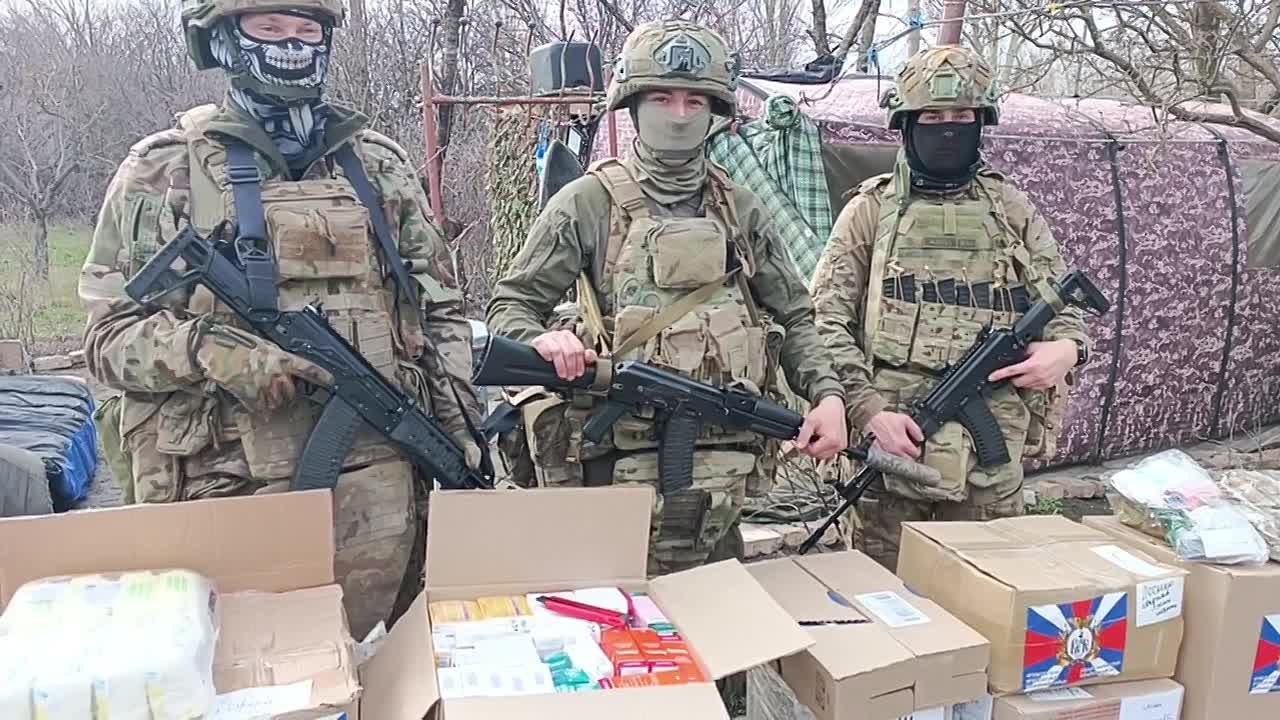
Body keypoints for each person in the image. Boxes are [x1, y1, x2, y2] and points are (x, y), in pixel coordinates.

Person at [78, 0, 484, 639]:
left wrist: (459, 424)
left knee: (385, 657)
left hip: (382, 481)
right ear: (222, 41)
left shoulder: (377, 165)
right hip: (228, 486)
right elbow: (107, 338)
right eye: (268, 28)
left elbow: (440, 310)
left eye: (306, 30)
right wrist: (217, 353)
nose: (291, 44)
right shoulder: (166, 170)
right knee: (256, 662)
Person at [486, 19, 849, 576]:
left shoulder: (741, 209)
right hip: (614, 468)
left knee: (717, 609)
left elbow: (796, 315)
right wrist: (542, 340)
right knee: (622, 614)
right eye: (662, 97)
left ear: (714, 111)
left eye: (694, 100)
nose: (679, 114)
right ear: (633, 105)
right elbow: (510, 304)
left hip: (721, 472)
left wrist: (827, 395)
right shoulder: (587, 203)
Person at [810, 46, 1092, 572]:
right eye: (932, 118)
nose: (948, 130)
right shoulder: (869, 211)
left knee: (990, 585)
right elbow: (825, 323)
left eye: (962, 116)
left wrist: (1068, 349)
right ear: (905, 124)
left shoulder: (1010, 209)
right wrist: (869, 412)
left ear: (982, 122)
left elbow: (1061, 303)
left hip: (992, 448)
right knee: (882, 590)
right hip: (896, 438)